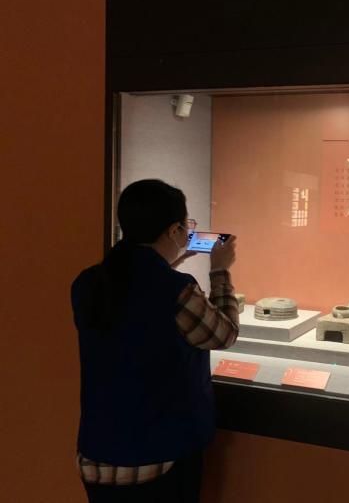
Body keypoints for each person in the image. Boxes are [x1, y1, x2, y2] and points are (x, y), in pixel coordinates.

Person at [70, 179, 239, 503]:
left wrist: (170, 262)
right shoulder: (177, 290)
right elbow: (224, 333)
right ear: (174, 230)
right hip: (159, 456)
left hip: (97, 454)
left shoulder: (87, 282)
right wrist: (220, 271)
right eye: (186, 227)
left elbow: (133, 290)